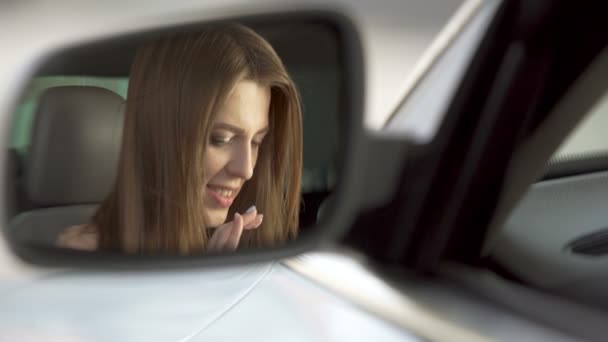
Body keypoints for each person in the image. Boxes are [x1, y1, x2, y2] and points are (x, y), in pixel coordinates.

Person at [57, 24, 303, 254]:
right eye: (221, 139)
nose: (246, 170)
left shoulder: (245, 247)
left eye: (256, 142)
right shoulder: (86, 254)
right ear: (159, 136)